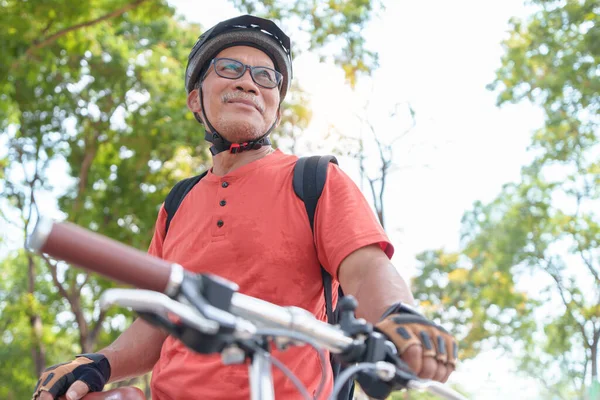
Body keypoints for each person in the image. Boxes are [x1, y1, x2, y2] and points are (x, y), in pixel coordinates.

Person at [32, 14, 457, 400]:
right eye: (230, 69)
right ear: (196, 100)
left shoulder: (314, 180)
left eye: (266, 77)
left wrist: (400, 315)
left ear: (275, 105)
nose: (249, 83)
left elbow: (367, 270)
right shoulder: (177, 204)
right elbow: (159, 321)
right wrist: (100, 362)